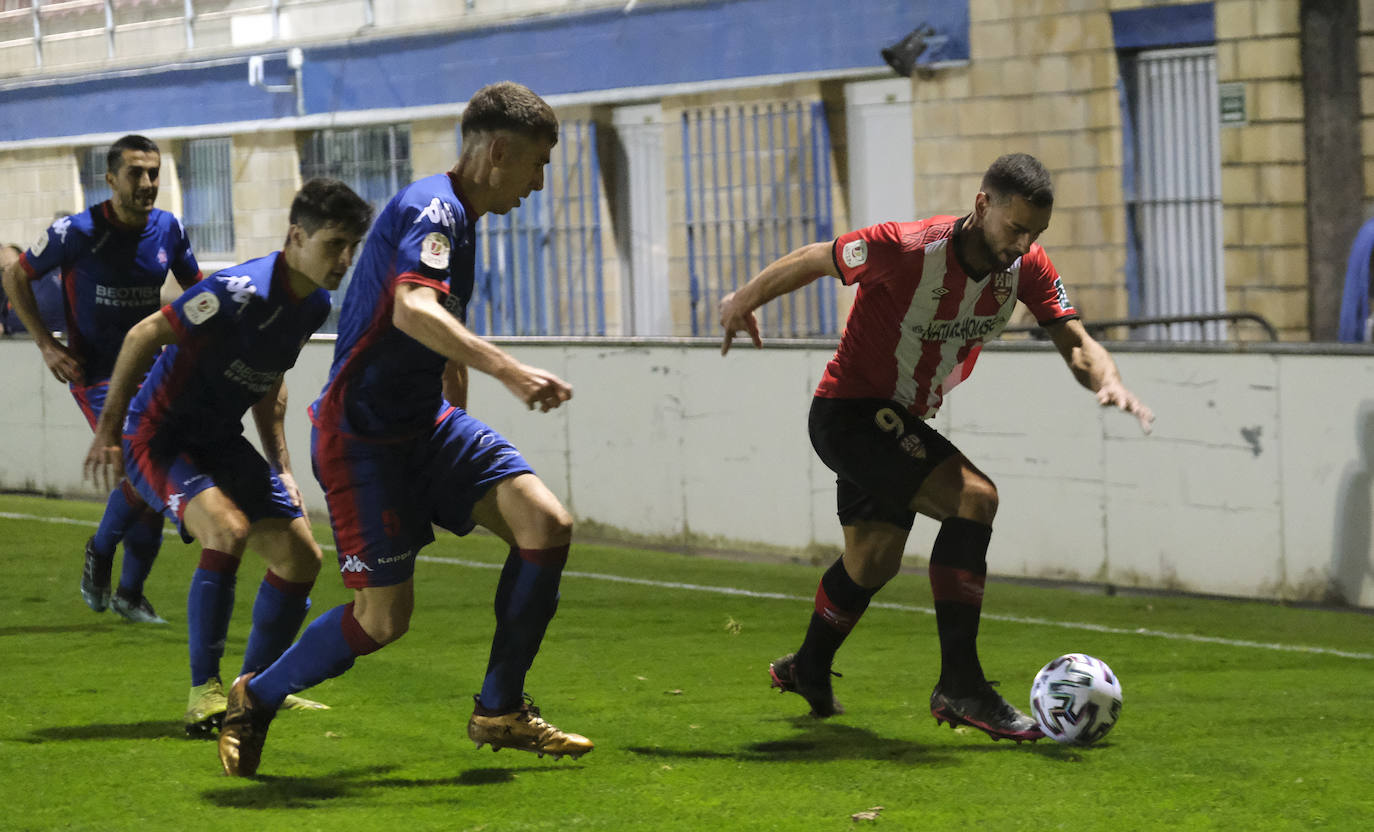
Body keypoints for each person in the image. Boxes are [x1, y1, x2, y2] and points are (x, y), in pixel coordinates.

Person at [215, 81, 593, 778]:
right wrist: (511, 370)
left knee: (546, 524)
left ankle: (499, 708)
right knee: (383, 620)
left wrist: (460, 394)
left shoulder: (460, 218)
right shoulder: (435, 209)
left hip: (428, 427)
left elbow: (433, 329)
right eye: (538, 165)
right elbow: (414, 309)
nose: (541, 184)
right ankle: (254, 696)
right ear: (499, 151)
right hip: (362, 438)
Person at [719, 153, 1154, 742]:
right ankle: (961, 687)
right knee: (976, 498)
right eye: (1015, 228)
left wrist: (1109, 380)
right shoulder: (905, 247)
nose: (1023, 244)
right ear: (982, 205)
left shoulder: (1025, 268)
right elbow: (819, 257)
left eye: (1035, 234)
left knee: (873, 561)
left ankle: (808, 667)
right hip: (850, 412)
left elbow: (1075, 341)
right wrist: (742, 299)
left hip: (896, 421)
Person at [84, 178, 374, 736]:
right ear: (296, 236)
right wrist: (109, 431)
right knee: (227, 531)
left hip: (218, 441)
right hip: (159, 437)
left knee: (302, 560)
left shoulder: (313, 303)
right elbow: (144, 334)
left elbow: (270, 385)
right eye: (335, 244)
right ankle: (203, 694)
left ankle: (255, 687)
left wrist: (282, 466)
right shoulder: (238, 291)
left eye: (352, 248)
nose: (345, 259)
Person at [2, 136, 202, 624]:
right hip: (95, 376)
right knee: (146, 469)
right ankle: (103, 549)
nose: (147, 183)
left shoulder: (169, 229)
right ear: (110, 179)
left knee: (148, 483)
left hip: (152, 373)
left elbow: (200, 291)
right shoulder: (76, 231)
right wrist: (47, 344)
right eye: (135, 173)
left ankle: (129, 592)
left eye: (154, 173)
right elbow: (15, 276)